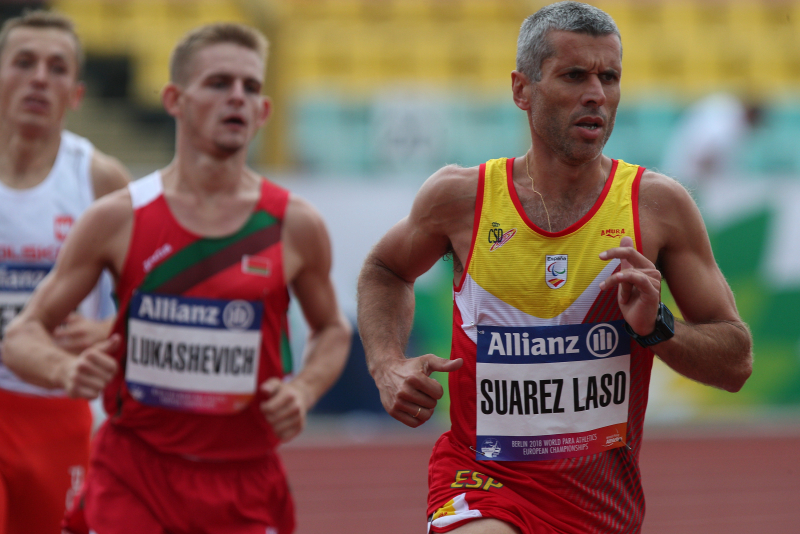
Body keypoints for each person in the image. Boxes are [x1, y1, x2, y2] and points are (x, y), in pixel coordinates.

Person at [356, 2, 753, 533]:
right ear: (522, 89)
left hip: (599, 508)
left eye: (609, 77)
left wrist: (658, 327)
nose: (596, 94)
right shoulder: (462, 198)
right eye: (574, 75)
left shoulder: (657, 207)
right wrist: (387, 364)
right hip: (483, 481)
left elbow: (736, 361)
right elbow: (385, 267)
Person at [3, 22, 351, 534]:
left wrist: (303, 391)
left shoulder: (294, 225)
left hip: (244, 479)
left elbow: (333, 329)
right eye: (217, 83)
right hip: (133, 472)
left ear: (263, 112)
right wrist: (63, 370)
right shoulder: (118, 217)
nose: (236, 97)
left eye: (250, 88)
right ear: (174, 99)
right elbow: (22, 333)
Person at [0, 11, 130, 534]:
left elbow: (149, 293)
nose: (39, 78)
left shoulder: (98, 179)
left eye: (56, 68)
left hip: (59, 409)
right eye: (24, 62)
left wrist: (107, 330)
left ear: (75, 94)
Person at [660, 92, 762, 189]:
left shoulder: (724, 103)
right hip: (687, 171)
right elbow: (704, 154)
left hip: (684, 162)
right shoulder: (728, 117)